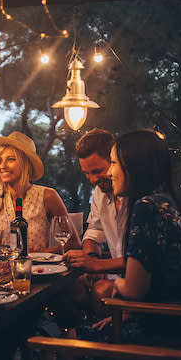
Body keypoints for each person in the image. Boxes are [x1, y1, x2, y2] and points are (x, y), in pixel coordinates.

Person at [91, 129, 181, 344]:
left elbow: (134, 289)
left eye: (114, 163)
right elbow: (157, 281)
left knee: (71, 341)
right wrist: (128, 312)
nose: (109, 173)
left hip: (168, 331)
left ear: (134, 167)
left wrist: (115, 286)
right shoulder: (166, 202)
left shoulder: (146, 208)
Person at [62, 129, 128, 315]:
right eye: (86, 173)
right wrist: (92, 259)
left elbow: (143, 262)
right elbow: (94, 231)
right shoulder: (100, 193)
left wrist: (97, 266)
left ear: (116, 161)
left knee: (100, 291)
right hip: (114, 275)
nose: (92, 180)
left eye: (98, 171)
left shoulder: (142, 199)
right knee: (72, 287)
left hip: (138, 283)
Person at [0, 131, 80, 253]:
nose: (2, 166)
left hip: (39, 269)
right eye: (0, 160)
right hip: (1, 269)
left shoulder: (48, 196)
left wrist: (38, 254)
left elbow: (74, 243)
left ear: (25, 164)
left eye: (10, 159)